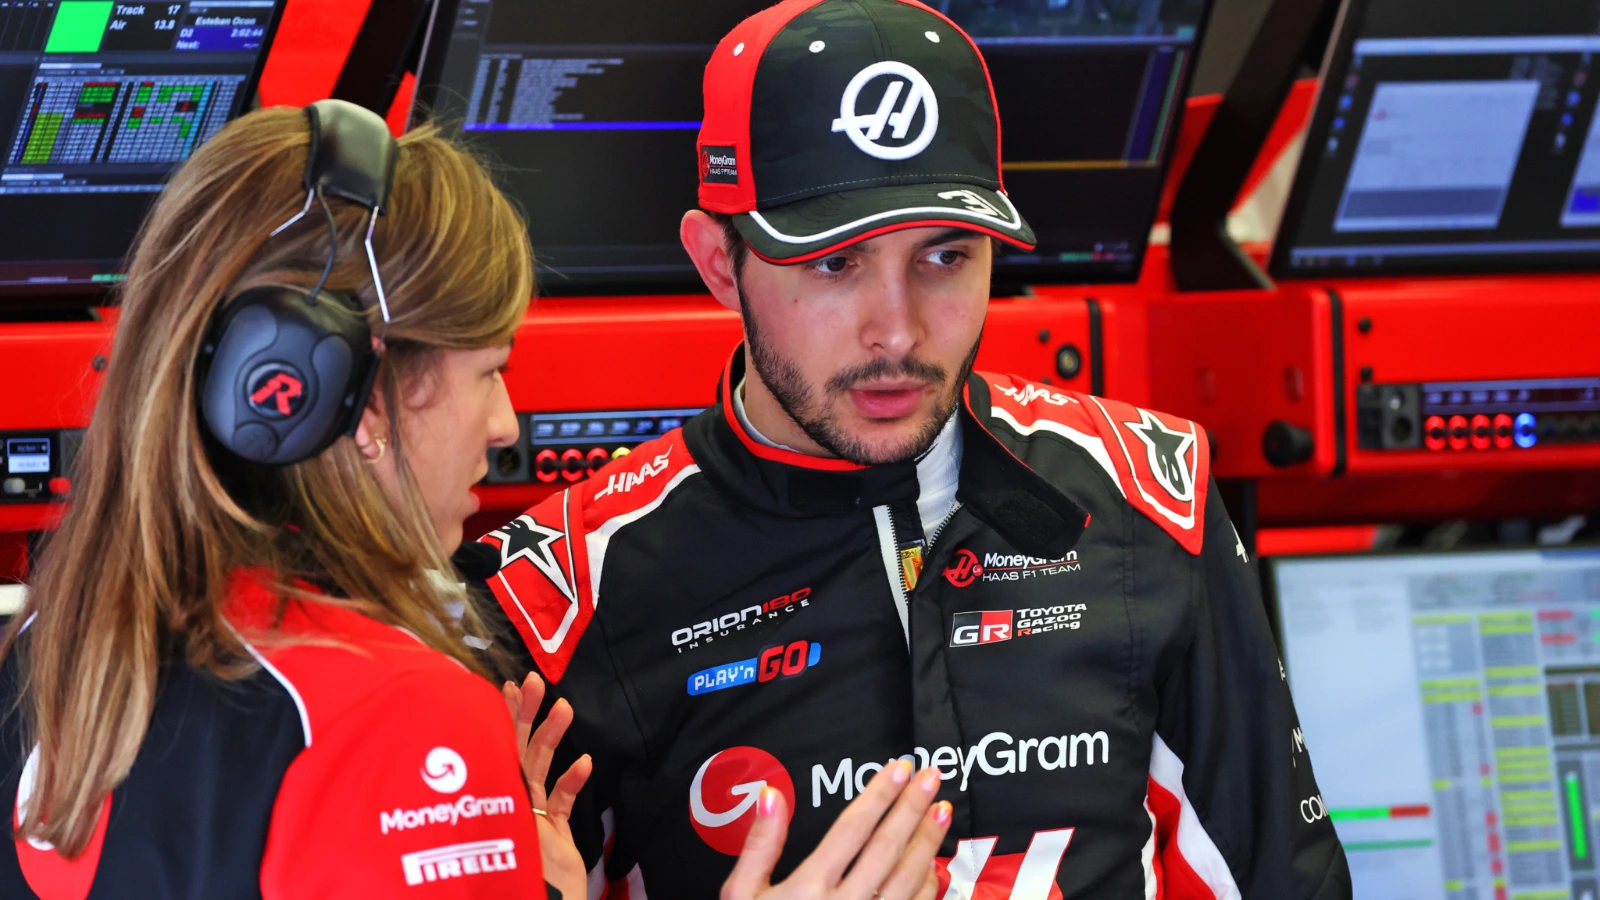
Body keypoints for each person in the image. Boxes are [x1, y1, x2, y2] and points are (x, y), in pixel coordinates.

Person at [475, 1, 1354, 897]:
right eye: (833, 263)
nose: (896, 332)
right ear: (717, 262)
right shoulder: (559, 596)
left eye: (944, 257)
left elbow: (1289, 879)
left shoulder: (1150, 495)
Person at [0, 98, 953, 900]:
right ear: (344, 394)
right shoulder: (402, 711)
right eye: (488, 371)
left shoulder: (58, 646)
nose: (503, 423)